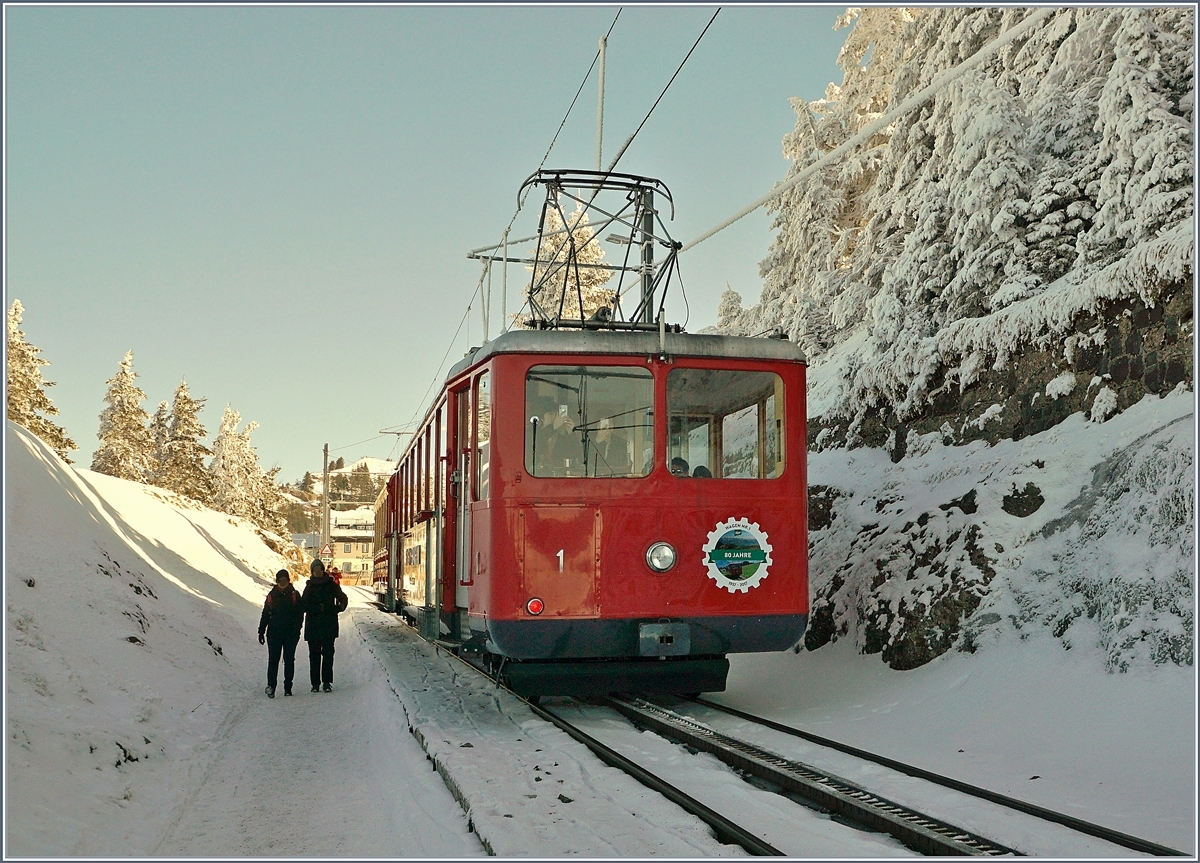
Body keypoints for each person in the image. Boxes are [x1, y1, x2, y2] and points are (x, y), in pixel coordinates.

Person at [302, 559, 349, 693]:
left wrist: (337, 608)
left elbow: (343, 598)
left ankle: (327, 682)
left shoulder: (331, 585)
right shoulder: (309, 586)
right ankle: (315, 683)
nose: (317, 573)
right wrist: (316, 608)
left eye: (319, 570)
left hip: (328, 624)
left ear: (323, 571)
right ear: (312, 572)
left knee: (328, 654)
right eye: (315, 571)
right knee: (314, 655)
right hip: (313, 625)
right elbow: (303, 605)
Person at [258, 569, 304, 698]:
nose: (282, 583)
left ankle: (288, 687)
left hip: (291, 634)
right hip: (274, 633)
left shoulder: (295, 595)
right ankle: (271, 686)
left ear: (288, 581)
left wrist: (297, 629)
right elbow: (265, 614)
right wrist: (261, 631)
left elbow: (300, 614)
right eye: (280, 581)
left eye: (284, 580)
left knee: (289, 660)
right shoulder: (271, 596)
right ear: (276, 581)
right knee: (273, 660)